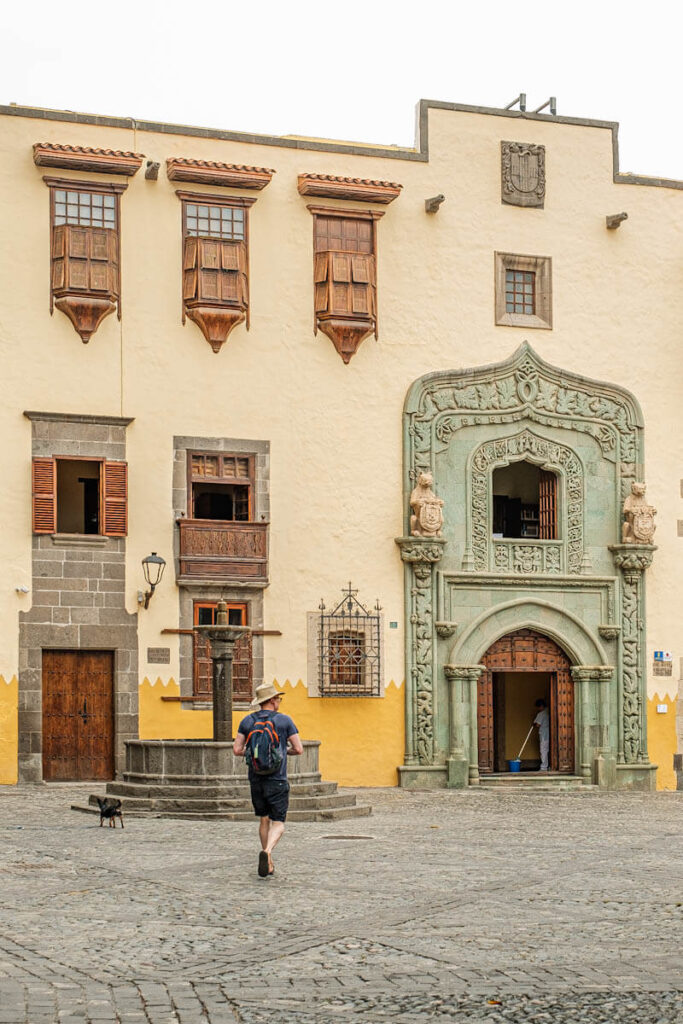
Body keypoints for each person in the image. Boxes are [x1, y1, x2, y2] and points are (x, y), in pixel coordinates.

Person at [233, 681, 303, 877]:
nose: (279, 701)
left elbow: (237, 749)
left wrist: (254, 754)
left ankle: (269, 863)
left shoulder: (247, 721)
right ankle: (267, 852)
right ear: (272, 700)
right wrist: (282, 752)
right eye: (278, 698)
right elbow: (299, 748)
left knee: (264, 819)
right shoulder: (284, 721)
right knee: (278, 822)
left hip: (256, 779)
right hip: (277, 779)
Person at [533, 698, 550, 772]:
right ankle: (548, 766)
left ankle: (543, 767)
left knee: (543, 750)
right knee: (547, 750)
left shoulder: (541, 714)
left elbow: (537, 725)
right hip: (549, 734)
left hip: (544, 735)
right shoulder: (548, 711)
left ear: (541, 706)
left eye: (538, 707)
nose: (538, 709)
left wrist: (534, 723)